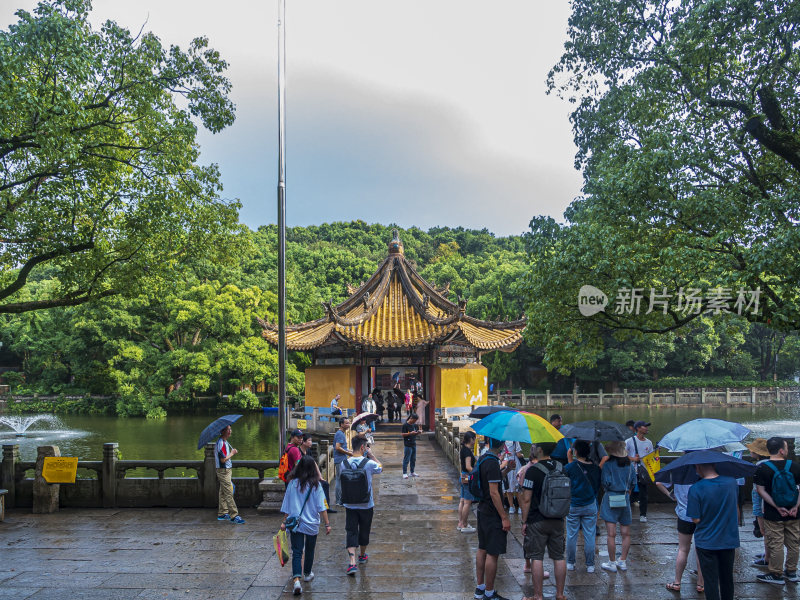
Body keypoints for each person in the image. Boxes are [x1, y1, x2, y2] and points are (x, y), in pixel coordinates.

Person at [520, 442, 567, 600]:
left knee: (537, 557)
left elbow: (526, 499)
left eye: (534, 447)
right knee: (559, 557)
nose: (533, 449)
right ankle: (560, 594)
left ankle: (538, 595)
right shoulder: (561, 467)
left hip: (537, 519)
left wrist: (524, 521)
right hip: (558, 518)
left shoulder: (533, 470)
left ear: (539, 450)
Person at [686, 463, 740, 600]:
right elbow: (736, 508)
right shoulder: (732, 482)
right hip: (728, 539)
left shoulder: (695, 489)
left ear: (698, 467)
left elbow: (695, 519)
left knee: (710, 581)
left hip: (706, 541)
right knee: (727, 578)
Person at [279, 455, 330, 595]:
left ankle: (296, 580)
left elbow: (287, 506)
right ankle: (307, 574)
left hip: (295, 523)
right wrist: (327, 524)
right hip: (312, 523)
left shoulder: (292, 483)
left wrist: (284, 522)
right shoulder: (316, 485)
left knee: (297, 552)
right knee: (309, 549)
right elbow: (322, 507)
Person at [754, 436, 800, 585]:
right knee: (794, 543)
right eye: (786, 447)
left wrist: (776, 506)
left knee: (776, 543)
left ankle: (776, 574)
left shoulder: (762, 468)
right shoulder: (795, 466)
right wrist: (795, 506)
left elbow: (760, 491)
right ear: (781, 450)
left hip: (773, 514)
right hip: (794, 513)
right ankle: (792, 572)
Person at [656, 460, 705, 593]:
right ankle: (701, 583)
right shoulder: (703, 467)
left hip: (684, 515)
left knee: (683, 549)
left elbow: (659, 482)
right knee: (702, 550)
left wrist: (671, 495)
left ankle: (677, 582)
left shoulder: (677, 467)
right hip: (702, 515)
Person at [474, 437, 512, 600]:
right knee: (492, 552)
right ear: (502, 445)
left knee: (482, 548)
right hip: (492, 512)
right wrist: (504, 516)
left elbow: (492, 482)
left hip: (482, 509)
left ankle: (480, 588)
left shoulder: (483, 459)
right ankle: (489, 592)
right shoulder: (493, 462)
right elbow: (494, 492)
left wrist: (507, 470)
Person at [342, 436, 383, 576]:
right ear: (362, 447)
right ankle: (362, 555)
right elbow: (381, 467)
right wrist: (371, 455)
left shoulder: (344, 463)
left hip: (349, 504)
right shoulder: (368, 463)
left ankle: (352, 562)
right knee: (364, 530)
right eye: (366, 447)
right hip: (366, 504)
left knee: (351, 530)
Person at [564, 440, 601, 573]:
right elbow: (597, 487)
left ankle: (570, 562)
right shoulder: (596, 468)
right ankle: (590, 565)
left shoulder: (570, 467)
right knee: (590, 535)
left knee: (571, 534)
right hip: (590, 504)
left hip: (573, 504)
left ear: (576, 452)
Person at [599, 441, 636, 572]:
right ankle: (623, 561)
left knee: (611, 534)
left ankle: (612, 562)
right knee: (626, 533)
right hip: (625, 498)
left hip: (610, 498)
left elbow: (605, 483)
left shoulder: (608, 465)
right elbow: (633, 483)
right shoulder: (630, 465)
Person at [747, 438, 770, 568]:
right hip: (771, 502)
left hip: (761, 503)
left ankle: (767, 558)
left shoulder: (759, 466)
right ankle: (768, 553)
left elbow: (758, 490)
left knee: (765, 530)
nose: (750, 450)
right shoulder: (772, 463)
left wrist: (757, 510)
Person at [215, 424, 244, 524]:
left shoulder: (224, 442)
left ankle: (222, 513)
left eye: (230, 429)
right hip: (223, 471)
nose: (230, 431)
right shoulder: (221, 443)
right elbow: (223, 460)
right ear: (222, 431)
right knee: (228, 492)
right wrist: (232, 453)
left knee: (223, 491)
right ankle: (234, 515)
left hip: (225, 470)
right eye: (228, 429)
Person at [299, 433, 335, 513]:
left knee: (325, 484)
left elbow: (314, 463)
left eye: (311, 440)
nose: (311, 442)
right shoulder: (298, 452)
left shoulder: (308, 451)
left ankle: (326, 507)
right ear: (303, 442)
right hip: (303, 477)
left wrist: (320, 476)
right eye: (309, 440)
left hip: (311, 476)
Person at [625, 420, 653, 522]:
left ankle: (643, 515)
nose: (646, 428)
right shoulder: (629, 441)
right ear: (638, 428)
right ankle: (626, 513)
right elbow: (622, 455)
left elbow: (650, 458)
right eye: (644, 426)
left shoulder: (649, 442)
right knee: (629, 493)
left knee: (643, 494)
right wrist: (633, 459)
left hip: (643, 472)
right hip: (631, 471)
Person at [458, 431, 478, 533]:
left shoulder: (463, 450)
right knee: (467, 502)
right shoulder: (467, 452)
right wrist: (476, 473)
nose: (475, 441)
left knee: (462, 500)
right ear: (471, 439)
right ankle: (465, 525)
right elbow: (468, 467)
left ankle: (460, 523)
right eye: (474, 439)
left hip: (462, 475)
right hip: (467, 477)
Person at [333, 418, 353, 506]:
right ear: (341, 424)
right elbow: (337, 447)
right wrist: (348, 453)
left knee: (340, 479)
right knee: (339, 480)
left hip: (341, 459)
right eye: (346, 423)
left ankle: (340, 499)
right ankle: (338, 501)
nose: (348, 425)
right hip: (340, 460)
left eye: (349, 423)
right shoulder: (340, 434)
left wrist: (349, 451)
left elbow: (342, 447)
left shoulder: (341, 433)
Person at [501, 440, 524, 513]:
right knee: (517, 487)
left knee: (508, 487)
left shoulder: (502, 441)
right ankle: (520, 508)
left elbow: (501, 455)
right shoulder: (515, 441)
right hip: (515, 464)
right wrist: (522, 455)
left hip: (505, 463)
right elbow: (518, 454)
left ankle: (511, 507)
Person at [401, 413, 422, 478]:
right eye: (414, 420)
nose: (415, 422)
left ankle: (412, 472)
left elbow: (414, 433)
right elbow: (403, 434)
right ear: (411, 418)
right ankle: (404, 473)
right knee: (406, 459)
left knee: (413, 459)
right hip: (407, 444)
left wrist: (418, 432)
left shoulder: (414, 425)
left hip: (413, 443)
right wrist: (410, 433)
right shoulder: (405, 425)